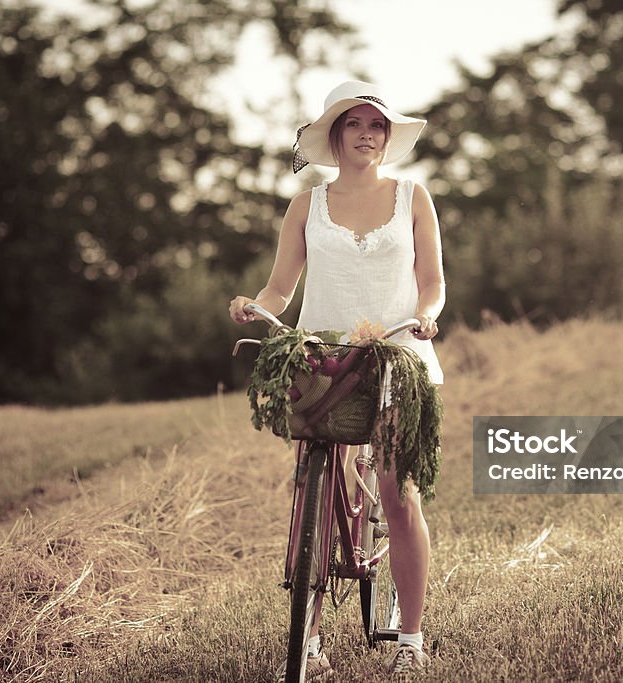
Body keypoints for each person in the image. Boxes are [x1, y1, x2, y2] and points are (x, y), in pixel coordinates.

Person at [229, 80, 445, 679]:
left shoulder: (412, 197)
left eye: (378, 125)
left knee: (400, 498)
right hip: (323, 358)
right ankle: (311, 640)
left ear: (387, 136)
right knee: (314, 495)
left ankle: (410, 638)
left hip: (398, 354)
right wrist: (255, 302)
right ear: (335, 134)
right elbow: (281, 287)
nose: (369, 135)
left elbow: (433, 280)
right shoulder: (307, 204)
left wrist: (428, 314)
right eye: (355, 124)